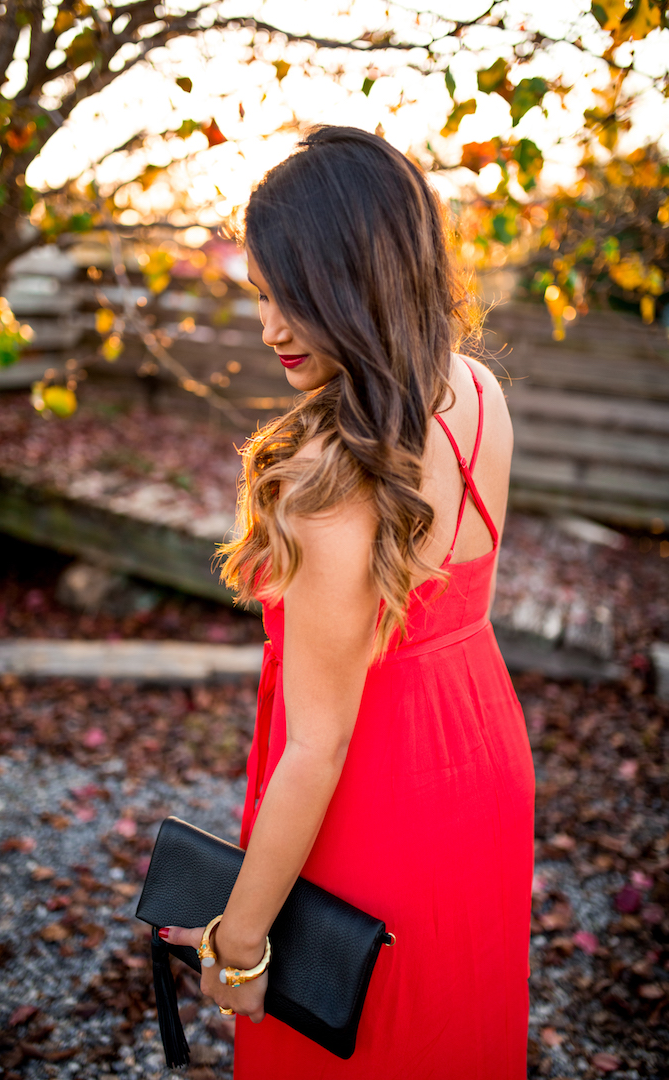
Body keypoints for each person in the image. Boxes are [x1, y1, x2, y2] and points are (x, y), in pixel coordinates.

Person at [159, 125, 535, 1079]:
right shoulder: (479, 390)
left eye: (296, 298)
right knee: (452, 1030)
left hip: (377, 801)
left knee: (353, 1042)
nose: (270, 328)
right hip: (483, 755)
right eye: (260, 296)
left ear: (361, 282)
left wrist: (236, 943)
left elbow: (319, 745)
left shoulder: (330, 483)